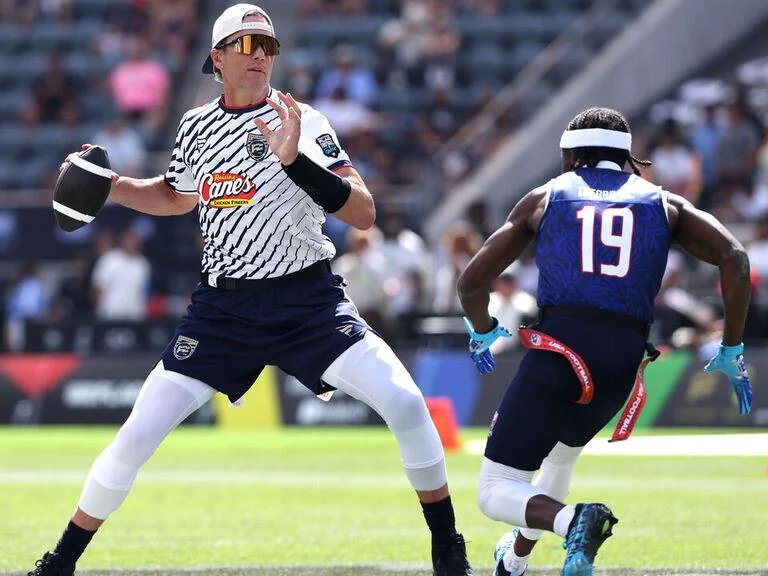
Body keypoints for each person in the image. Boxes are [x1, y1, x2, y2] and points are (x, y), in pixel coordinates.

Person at [28, 5, 473, 576]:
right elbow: (175, 196)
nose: (261, 53)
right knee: (136, 434)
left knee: (408, 405)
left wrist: (295, 162)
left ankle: (447, 550)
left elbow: (363, 212)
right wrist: (113, 187)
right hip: (224, 310)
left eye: (268, 44)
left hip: (307, 301)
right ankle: (59, 563)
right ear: (217, 57)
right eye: (247, 43)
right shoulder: (194, 127)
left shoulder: (302, 120)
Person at [456, 107, 753, 576]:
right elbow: (734, 258)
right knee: (558, 460)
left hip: (561, 348)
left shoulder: (546, 197)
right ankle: (514, 561)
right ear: (627, 156)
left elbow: (472, 283)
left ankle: (577, 519)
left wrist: (482, 328)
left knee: (495, 489)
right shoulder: (664, 202)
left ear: (572, 153)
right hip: (622, 360)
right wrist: (732, 346)